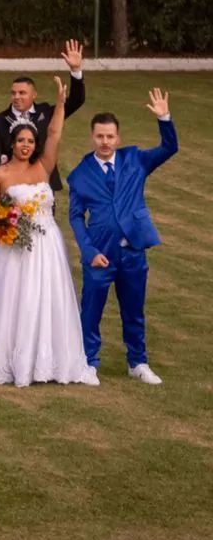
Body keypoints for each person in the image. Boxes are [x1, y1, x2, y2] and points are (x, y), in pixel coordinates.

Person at [0, 78, 97, 386]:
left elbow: (56, 133)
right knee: (13, 301)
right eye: (21, 141)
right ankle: (7, 357)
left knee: (44, 300)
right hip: (10, 249)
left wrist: (60, 104)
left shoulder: (43, 167)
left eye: (30, 142)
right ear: (12, 143)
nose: (26, 146)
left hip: (46, 247)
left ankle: (46, 359)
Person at [68, 89, 178, 384]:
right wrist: (89, 251)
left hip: (132, 251)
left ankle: (137, 361)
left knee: (134, 309)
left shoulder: (135, 159)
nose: (105, 142)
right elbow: (75, 217)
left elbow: (169, 148)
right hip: (100, 254)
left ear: (118, 137)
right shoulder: (79, 174)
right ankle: (88, 361)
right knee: (91, 310)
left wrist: (164, 118)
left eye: (110, 136)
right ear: (93, 136)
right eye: (100, 136)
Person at [0, 41, 87, 188]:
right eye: (13, 93)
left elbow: (77, 100)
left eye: (22, 93)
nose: (16, 97)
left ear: (34, 95)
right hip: (12, 186)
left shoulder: (46, 112)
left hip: (44, 183)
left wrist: (76, 70)